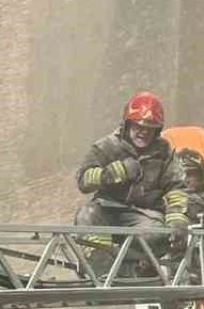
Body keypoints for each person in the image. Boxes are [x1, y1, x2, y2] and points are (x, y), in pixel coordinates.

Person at [74, 91, 190, 271]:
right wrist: (111, 174)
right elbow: (83, 180)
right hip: (107, 209)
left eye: (150, 127)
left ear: (157, 130)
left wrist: (177, 219)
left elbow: (176, 187)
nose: (143, 132)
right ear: (127, 124)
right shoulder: (106, 147)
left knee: (157, 233)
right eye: (139, 126)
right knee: (86, 215)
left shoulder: (164, 151)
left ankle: (134, 266)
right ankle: (101, 267)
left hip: (145, 215)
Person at [177, 148, 204, 224]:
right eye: (179, 175)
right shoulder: (165, 198)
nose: (185, 180)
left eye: (190, 174)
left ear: (201, 176)